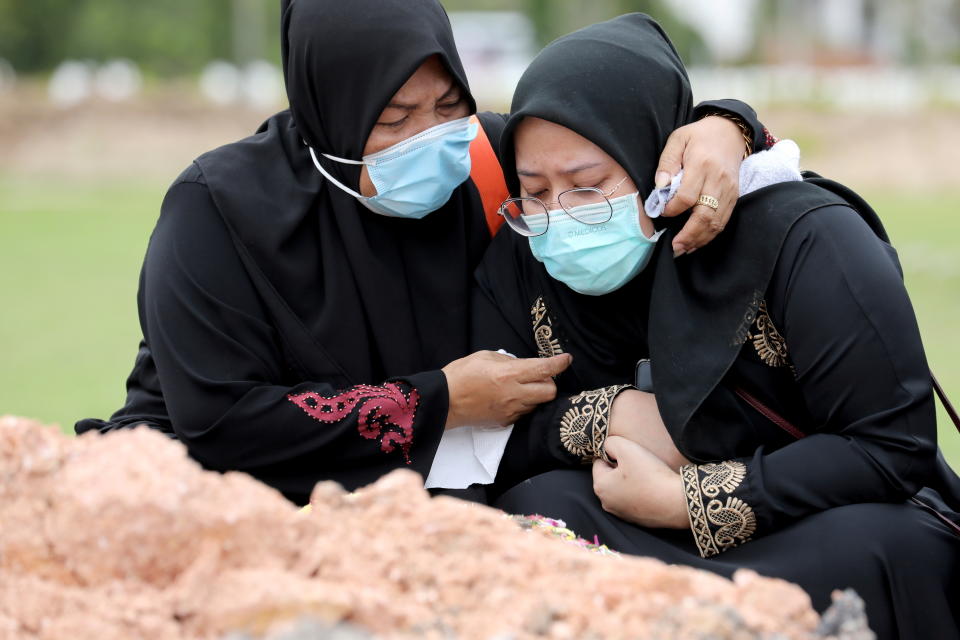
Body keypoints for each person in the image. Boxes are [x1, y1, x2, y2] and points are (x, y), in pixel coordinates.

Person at [74, 0, 773, 505]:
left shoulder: (484, 161)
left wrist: (726, 126)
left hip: (433, 493)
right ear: (329, 112)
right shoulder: (218, 209)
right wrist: (440, 401)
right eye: (393, 118)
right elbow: (220, 424)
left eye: (448, 103)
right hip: (228, 491)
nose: (433, 136)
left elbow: (621, 123)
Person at [472, 14, 960, 639]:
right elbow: (491, 437)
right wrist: (606, 416)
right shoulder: (521, 262)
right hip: (636, 536)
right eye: (533, 190)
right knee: (540, 509)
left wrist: (690, 500)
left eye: (588, 187)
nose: (555, 218)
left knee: (889, 543)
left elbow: (892, 446)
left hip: (808, 529)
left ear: (659, 162)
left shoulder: (801, 239)